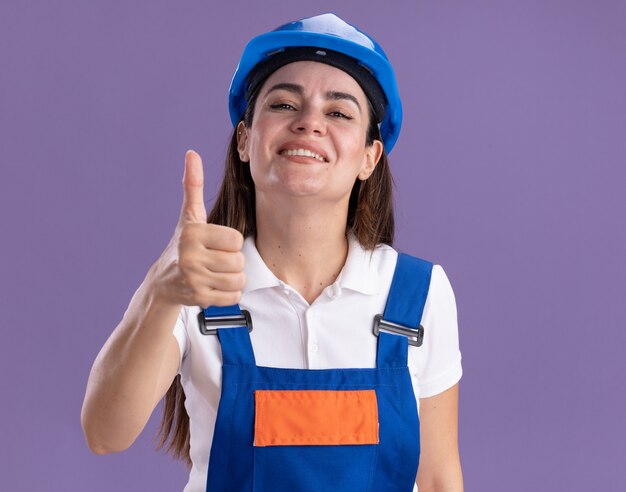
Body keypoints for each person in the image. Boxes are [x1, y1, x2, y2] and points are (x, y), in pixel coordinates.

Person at [81, 13, 463, 492]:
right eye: (284, 104)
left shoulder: (419, 294)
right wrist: (161, 294)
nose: (309, 123)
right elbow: (104, 433)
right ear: (245, 139)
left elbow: (436, 479)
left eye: (339, 113)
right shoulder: (194, 282)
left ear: (370, 156)